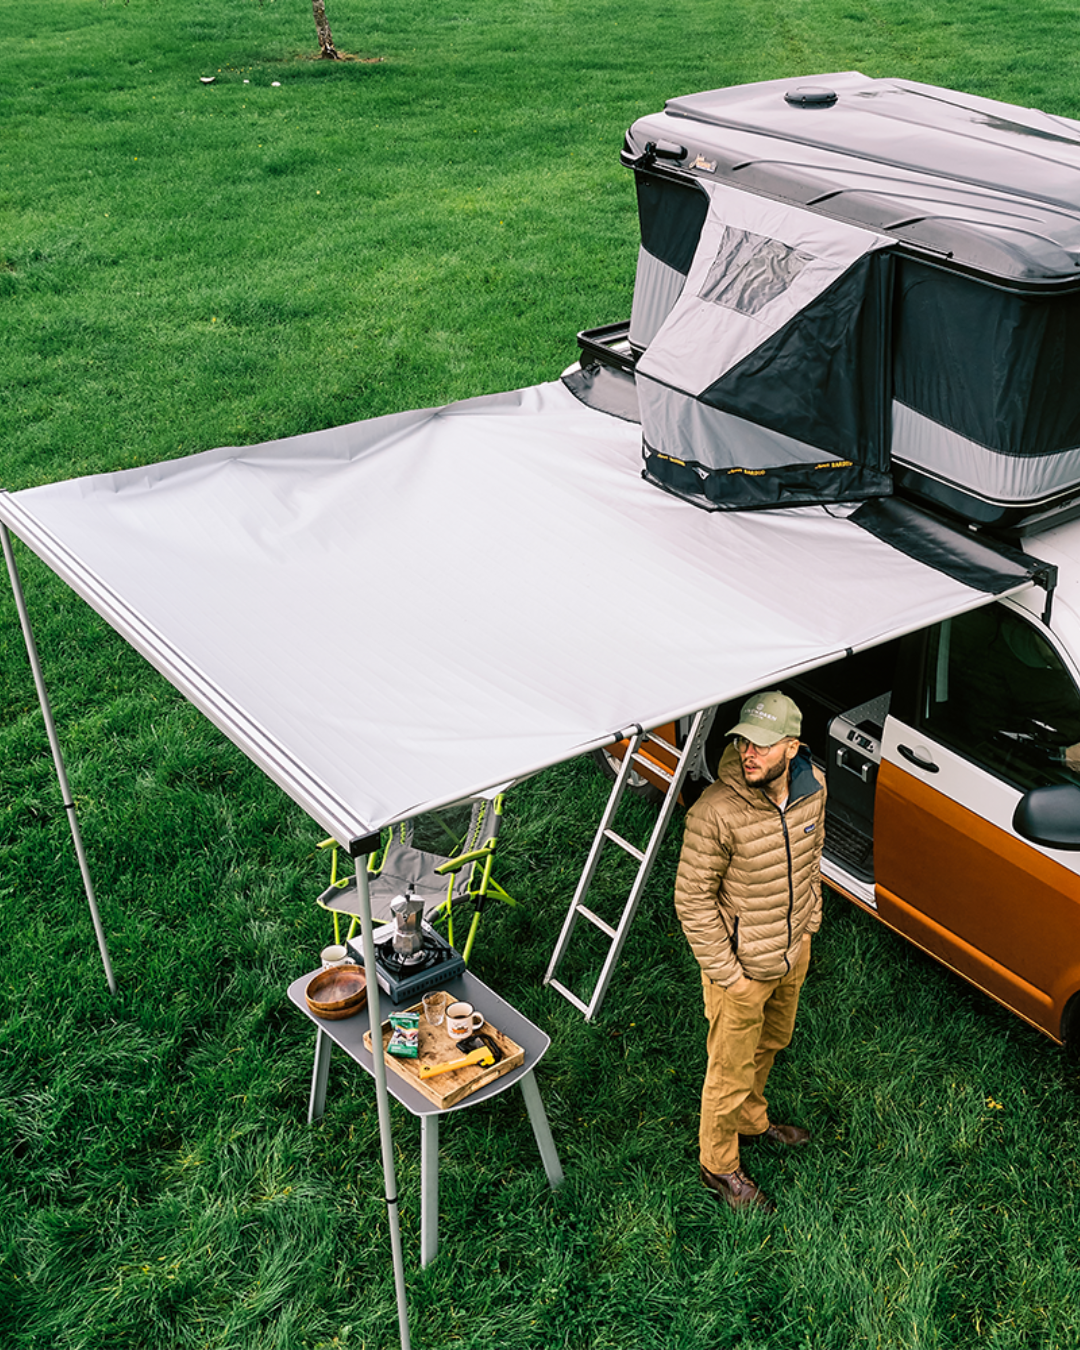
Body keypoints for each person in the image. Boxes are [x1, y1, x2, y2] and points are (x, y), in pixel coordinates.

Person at [674, 690, 825, 1213]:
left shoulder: (814, 789)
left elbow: (812, 856)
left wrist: (809, 926)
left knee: (773, 1041)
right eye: (742, 742)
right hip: (739, 969)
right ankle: (718, 1164)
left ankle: (750, 1119)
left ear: (792, 748)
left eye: (761, 745)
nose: (747, 754)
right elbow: (691, 902)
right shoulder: (714, 812)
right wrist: (729, 976)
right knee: (729, 1067)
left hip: (790, 953)